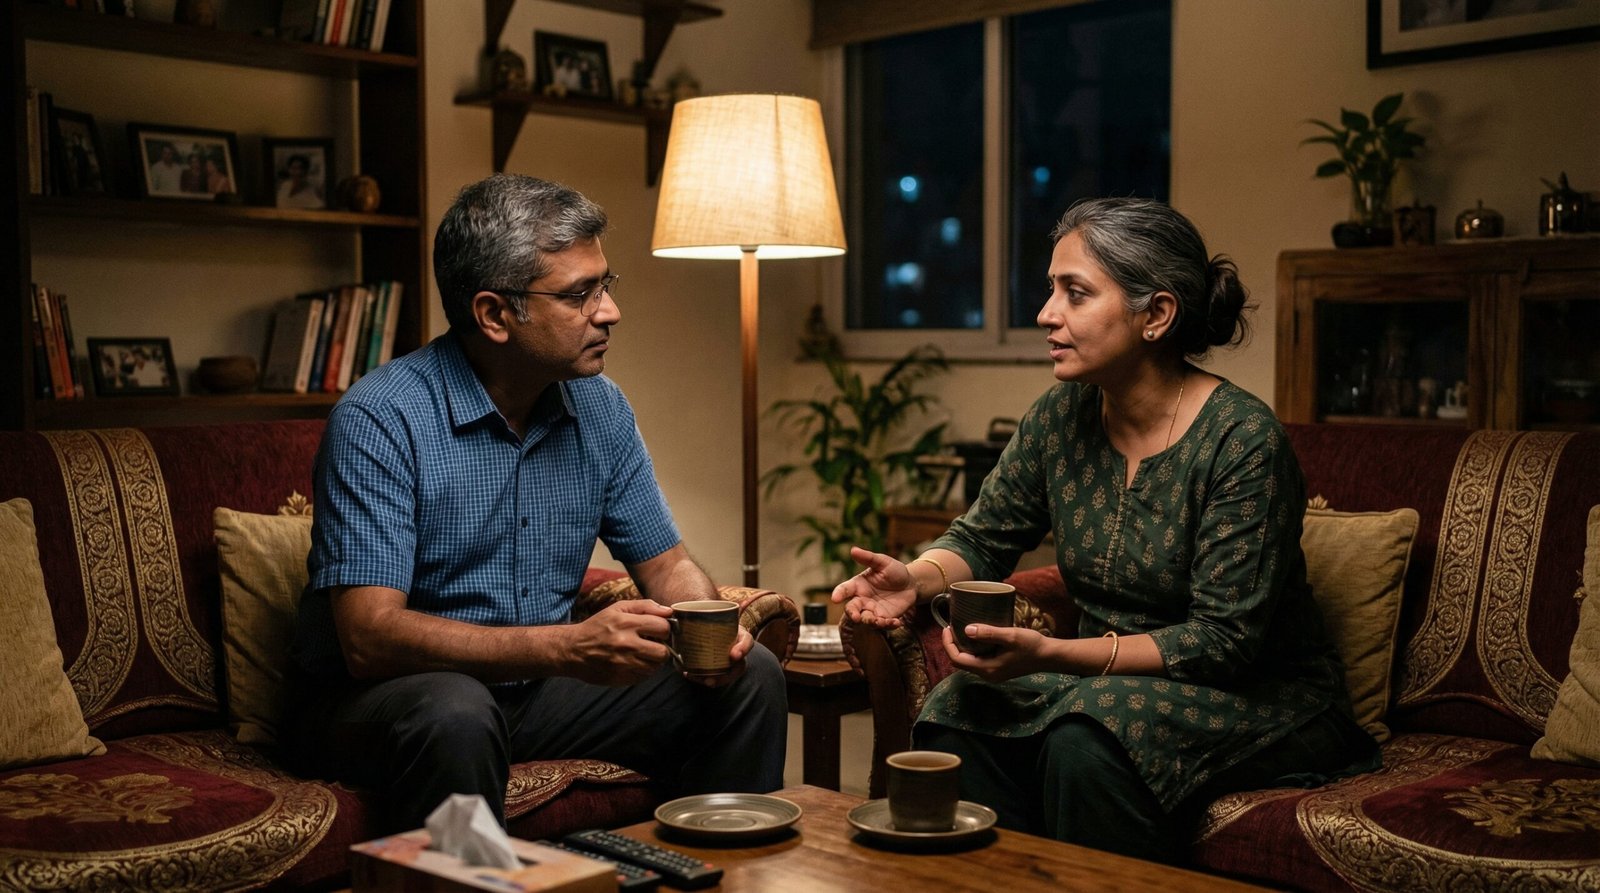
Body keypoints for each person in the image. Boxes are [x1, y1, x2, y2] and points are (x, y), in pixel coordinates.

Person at [833, 197, 1379, 864]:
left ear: (1156, 315)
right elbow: (982, 536)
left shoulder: (1242, 441)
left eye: (1075, 292)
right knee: (958, 707)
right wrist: (911, 580)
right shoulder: (1062, 415)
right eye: (1050, 290)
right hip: (1107, 688)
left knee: (1085, 741)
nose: (1045, 314)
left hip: (1262, 695)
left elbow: (1223, 643)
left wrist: (1051, 654)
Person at [284, 173, 788, 833]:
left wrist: (713, 631)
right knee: (457, 710)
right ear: (494, 314)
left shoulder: (600, 408)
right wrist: (564, 646)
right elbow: (369, 638)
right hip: (383, 699)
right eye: (580, 293)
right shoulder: (381, 418)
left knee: (754, 677)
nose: (609, 311)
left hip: (533, 693)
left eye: (605, 285)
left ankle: (708, 876)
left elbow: (666, 566)